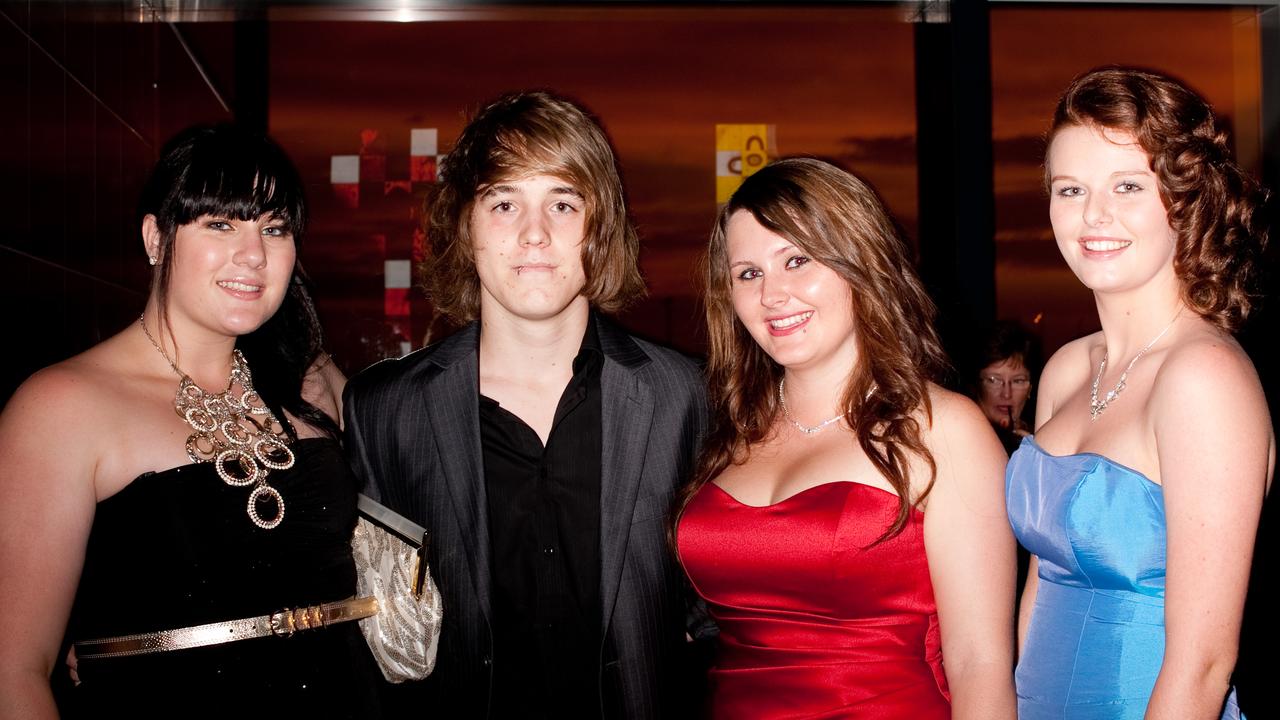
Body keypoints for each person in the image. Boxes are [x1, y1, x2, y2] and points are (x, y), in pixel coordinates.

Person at [342, 91, 709, 719]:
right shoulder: (385, 412)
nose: (534, 234)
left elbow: (716, 623)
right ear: (465, 226)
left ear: (601, 227)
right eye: (504, 203)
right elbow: (385, 641)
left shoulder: (686, 396)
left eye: (563, 204)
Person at [0, 125, 382, 718]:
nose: (253, 254)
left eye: (274, 229)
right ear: (155, 237)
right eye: (221, 224)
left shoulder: (313, 388)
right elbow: (13, 672)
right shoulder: (61, 406)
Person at [676, 157, 1016, 718]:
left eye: (797, 260)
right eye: (748, 273)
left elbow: (980, 665)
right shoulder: (726, 428)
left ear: (859, 262)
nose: (772, 295)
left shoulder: (943, 429)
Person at [1008, 67, 1274, 719]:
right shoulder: (1068, 370)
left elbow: (1204, 664)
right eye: (1070, 189)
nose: (1093, 215)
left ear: (1186, 199)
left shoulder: (1204, 378)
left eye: (1128, 185)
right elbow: (1042, 581)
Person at [971, 320, 1042, 455]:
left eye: (1018, 381)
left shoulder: (1043, 441)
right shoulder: (962, 436)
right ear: (976, 385)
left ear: (1030, 389)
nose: (1006, 394)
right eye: (994, 380)